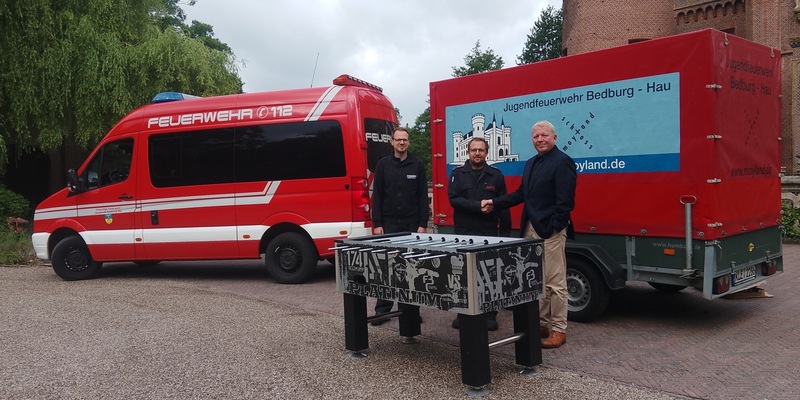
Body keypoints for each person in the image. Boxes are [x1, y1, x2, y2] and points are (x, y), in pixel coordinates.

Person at [482, 120, 576, 349]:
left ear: (554, 138)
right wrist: (494, 203)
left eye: (544, 135)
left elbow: (566, 202)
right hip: (530, 228)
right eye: (536, 137)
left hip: (550, 231)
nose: (540, 140)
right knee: (538, 281)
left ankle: (558, 329)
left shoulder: (563, 162)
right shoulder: (532, 163)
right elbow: (521, 194)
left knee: (555, 283)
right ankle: (543, 324)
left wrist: (555, 227)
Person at [447, 137, 510, 331]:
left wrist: (505, 235)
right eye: (473, 150)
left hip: (488, 232)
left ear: (486, 152)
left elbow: (504, 205)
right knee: (463, 275)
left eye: (481, 150)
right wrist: (478, 206)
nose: (477, 153)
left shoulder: (496, 176)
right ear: (468, 152)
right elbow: (454, 200)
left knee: (490, 275)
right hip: (464, 232)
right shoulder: (458, 174)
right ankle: (463, 313)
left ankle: (490, 315)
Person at [370, 127, 429, 325]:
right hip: (388, 224)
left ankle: (411, 311)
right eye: (398, 140)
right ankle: (383, 310)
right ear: (392, 142)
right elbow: (377, 196)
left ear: (408, 142)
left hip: (412, 225)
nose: (401, 143)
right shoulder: (383, 166)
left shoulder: (418, 165)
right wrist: (377, 223)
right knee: (386, 267)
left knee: (411, 267)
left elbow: (423, 197)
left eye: (405, 139)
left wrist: (423, 224)